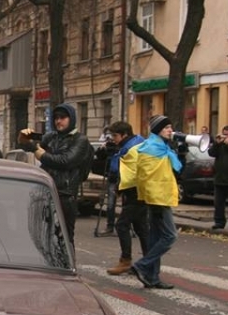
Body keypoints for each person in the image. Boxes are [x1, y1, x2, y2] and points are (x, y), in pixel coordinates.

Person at [19, 103, 92, 247]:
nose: (58, 121)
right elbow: (28, 144)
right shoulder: (52, 136)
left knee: (64, 237)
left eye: (63, 117)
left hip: (65, 195)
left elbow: (65, 161)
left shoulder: (80, 140)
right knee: (42, 234)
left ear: (71, 119)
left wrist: (36, 150)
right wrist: (23, 137)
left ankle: (68, 267)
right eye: (56, 118)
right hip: (46, 191)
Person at [127, 115, 182, 290]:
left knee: (156, 237)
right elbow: (148, 177)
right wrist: (153, 197)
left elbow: (173, 170)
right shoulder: (152, 149)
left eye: (170, 127)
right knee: (170, 236)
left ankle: (152, 277)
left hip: (159, 196)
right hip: (158, 198)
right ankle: (142, 265)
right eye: (167, 128)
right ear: (159, 129)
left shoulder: (160, 147)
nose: (170, 131)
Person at [105, 121, 150, 275]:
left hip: (135, 193)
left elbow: (130, 173)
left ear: (124, 134)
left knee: (122, 225)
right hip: (138, 192)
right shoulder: (133, 145)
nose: (114, 139)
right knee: (141, 228)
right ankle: (148, 262)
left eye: (115, 136)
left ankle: (126, 261)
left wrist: (118, 187)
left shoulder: (131, 149)